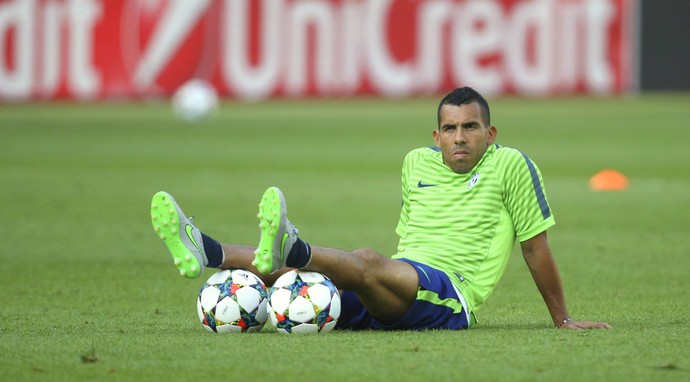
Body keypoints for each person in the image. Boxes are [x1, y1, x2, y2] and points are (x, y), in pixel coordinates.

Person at [150, 87, 610, 330]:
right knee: (306, 279)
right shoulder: (415, 163)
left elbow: (535, 248)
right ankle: (209, 251)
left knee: (364, 260)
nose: (460, 137)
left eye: (471, 127)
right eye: (449, 128)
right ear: (436, 136)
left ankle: (296, 245)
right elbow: (409, 237)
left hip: (450, 295)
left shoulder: (512, 164)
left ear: (490, 134)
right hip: (402, 278)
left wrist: (562, 318)